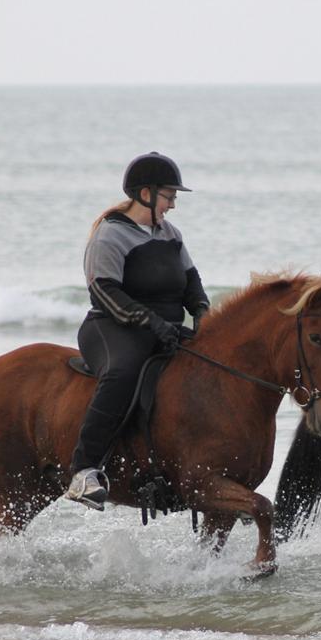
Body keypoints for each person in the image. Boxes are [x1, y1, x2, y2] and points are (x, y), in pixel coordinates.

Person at [65, 152, 210, 509]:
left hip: (163, 329)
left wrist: (202, 312)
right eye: (169, 196)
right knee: (123, 373)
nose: (173, 205)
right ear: (146, 194)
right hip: (112, 327)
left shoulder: (170, 234)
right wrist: (150, 321)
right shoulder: (109, 235)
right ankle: (84, 471)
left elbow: (191, 281)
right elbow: (104, 292)